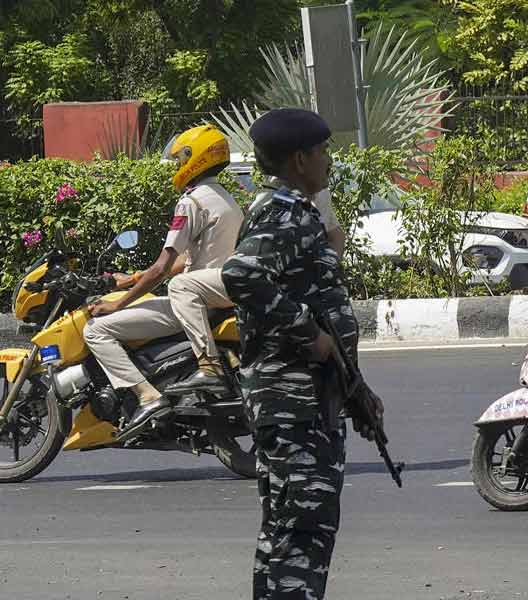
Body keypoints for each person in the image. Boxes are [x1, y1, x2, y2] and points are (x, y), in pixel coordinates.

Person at [221, 108, 371, 600]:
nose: (329, 160)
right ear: (300, 159)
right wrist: (309, 332)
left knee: (287, 529)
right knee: (302, 531)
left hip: (305, 398)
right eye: (323, 151)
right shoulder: (282, 211)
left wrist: (356, 390)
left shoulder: (293, 210)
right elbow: (242, 275)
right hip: (292, 401)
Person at [83, 125, 243, 436]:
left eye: (180, 159)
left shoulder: (192, 202)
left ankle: (147, 396)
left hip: (197, 299)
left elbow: (163, 267)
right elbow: (185, 260)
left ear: (194, 158)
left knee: (96, 330)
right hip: (217, 292)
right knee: (172, 288)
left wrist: (117, 303)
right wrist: (131, 279)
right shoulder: (225, 198)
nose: (177, 166)